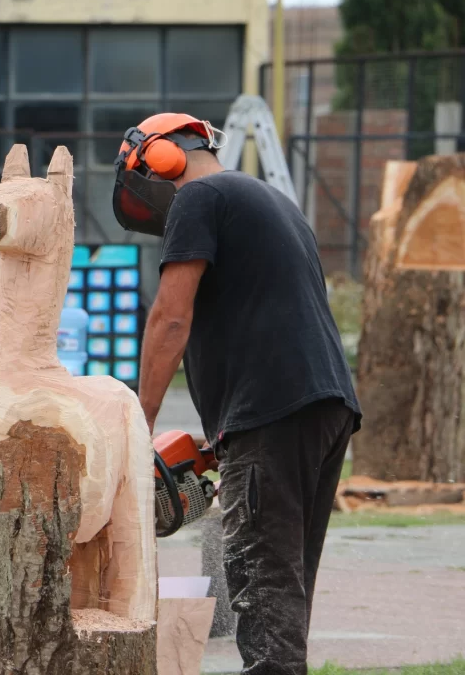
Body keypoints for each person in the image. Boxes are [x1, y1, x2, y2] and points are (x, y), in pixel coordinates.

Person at [112, 113, 362, 675]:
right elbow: (268, 316)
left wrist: (135, 424)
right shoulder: (269, 200)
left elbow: (170, 318)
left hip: (275, 409)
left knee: (261, 580)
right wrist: (228, 436)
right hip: (321, 405)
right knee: (285, 581)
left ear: (159, 161)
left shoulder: (198, 197)